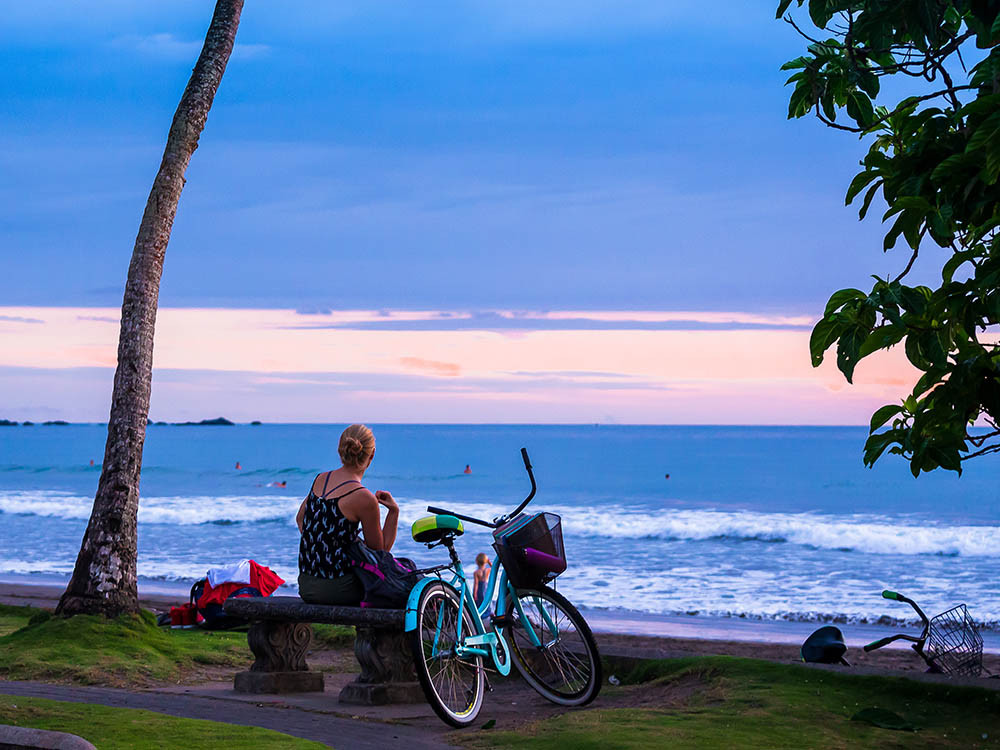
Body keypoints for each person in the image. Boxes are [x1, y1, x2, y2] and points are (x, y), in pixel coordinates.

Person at [295, 424, 398, 605]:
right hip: (340, 590)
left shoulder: (321, 479)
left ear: (340, 450)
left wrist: (325, 543)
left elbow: (300, 519)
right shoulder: (363, 498)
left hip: (306, 585)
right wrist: (393, 512)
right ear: (372, 454)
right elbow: (380, 555)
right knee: (396, 583)